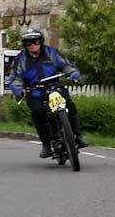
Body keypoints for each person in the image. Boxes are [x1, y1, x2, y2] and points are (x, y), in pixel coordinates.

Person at [8, 28, 89, 159]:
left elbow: (67, 66)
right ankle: (46, 144)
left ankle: (78, 136)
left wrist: (75, 75)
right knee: (38, 112)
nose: (32, 45)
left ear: (40, 41)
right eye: (28, 42)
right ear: (24, 45)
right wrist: (19, 90)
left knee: (69, 105)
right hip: (35, 92)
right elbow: (15, 78)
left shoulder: (52, 53)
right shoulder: (20, 59)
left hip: (55, 87)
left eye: (35, 41)